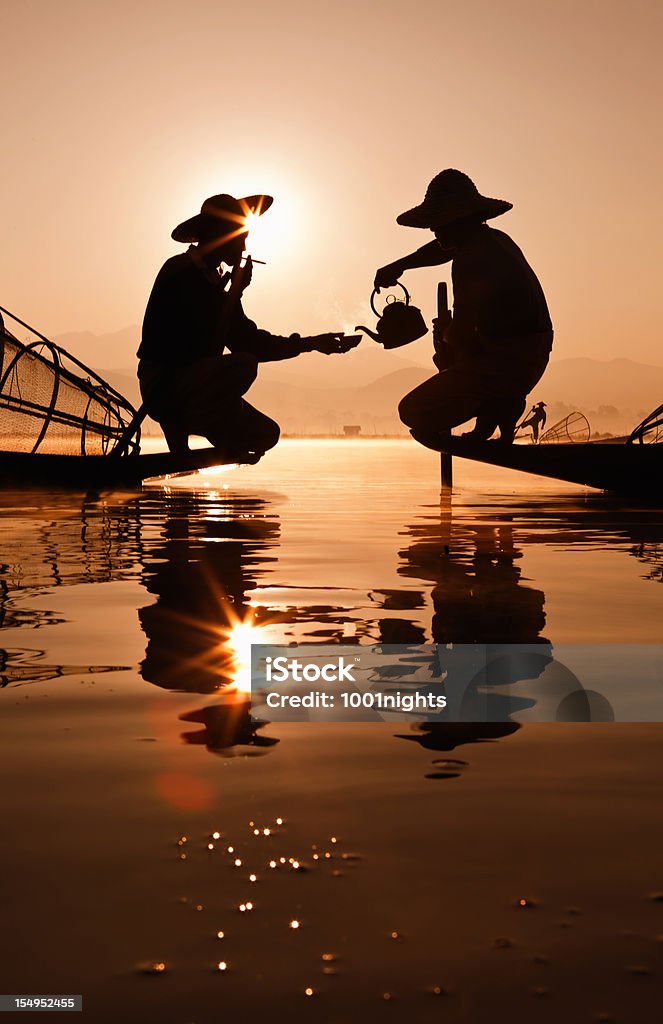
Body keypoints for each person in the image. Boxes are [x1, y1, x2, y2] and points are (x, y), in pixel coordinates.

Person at [138, 192, 356, 455]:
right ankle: (182, 425)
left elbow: (249, 342)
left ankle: (197, 429)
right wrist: (233, 295)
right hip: (164, 385)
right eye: (239, 238)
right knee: (244, 364)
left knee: (267, 435)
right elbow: (196, 343)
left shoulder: (216, 284)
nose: (243, 248)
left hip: (196, 386)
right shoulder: (180, 271)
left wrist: (312, 344)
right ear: (219, 234)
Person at [374, 170, 553, 442]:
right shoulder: (495, 239)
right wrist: (400, 266)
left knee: (412, 411)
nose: (434, 230)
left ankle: (499, 406)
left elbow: (462, 334)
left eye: (439, 224)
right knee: (461, 355)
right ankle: (496, 410)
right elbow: (439, 249)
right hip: (529, 354)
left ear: (458, 221)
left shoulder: (470, 260)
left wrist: (443, 332)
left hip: (508, 361)